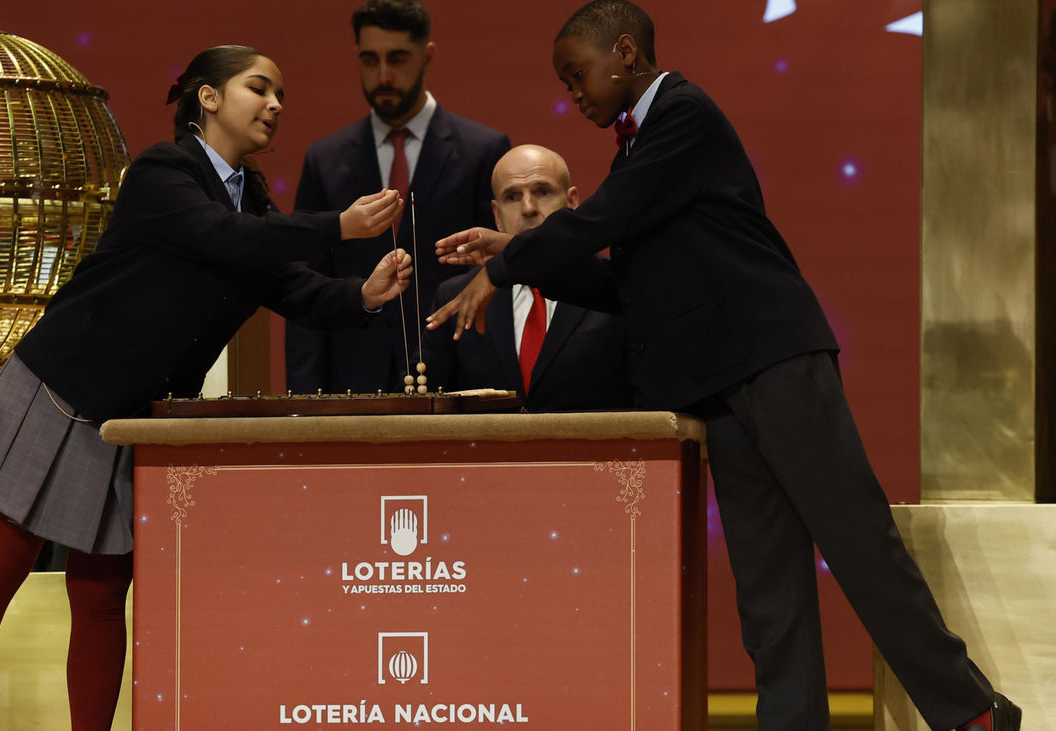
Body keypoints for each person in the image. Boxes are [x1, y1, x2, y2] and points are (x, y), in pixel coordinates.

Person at [427, 3, 1020, 730]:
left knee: (857, 541)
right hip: (718, 385)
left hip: (774, 359)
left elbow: (605, 216)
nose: (572, 92)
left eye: (576, 74)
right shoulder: (639, 147)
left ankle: (973, 712)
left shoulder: (681, 111)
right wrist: (515, 262)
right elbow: (624, 285)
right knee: (768, 588)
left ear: (623, 52)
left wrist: (514, 258)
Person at [0, 45, 412, 731]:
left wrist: (363, 294)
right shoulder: (163, 169)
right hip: (58, 388)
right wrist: (338, 227)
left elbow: (291, 286)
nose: (275, 105)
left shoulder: (254, 199)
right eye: (259, 88)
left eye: (282, 96)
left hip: (131, 419)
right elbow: (223, 238)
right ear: (207, 98)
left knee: (100, 591)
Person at [285, 0, 510, 395]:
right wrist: (304, 396)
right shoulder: (325, 159)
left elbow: (494, 274)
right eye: (370, 60)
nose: (383, 75)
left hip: (454, 375)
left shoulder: (483, 150)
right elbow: (307, 281)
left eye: (398, 58)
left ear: (428, 55)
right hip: (351, 379)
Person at [425, 144, 630, 411]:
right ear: (497, 216)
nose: (529, 208)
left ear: (572, 203)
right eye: (512, 197)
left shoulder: (617, 285)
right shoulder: (456, 296)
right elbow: (426, 406)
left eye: (543, 192)